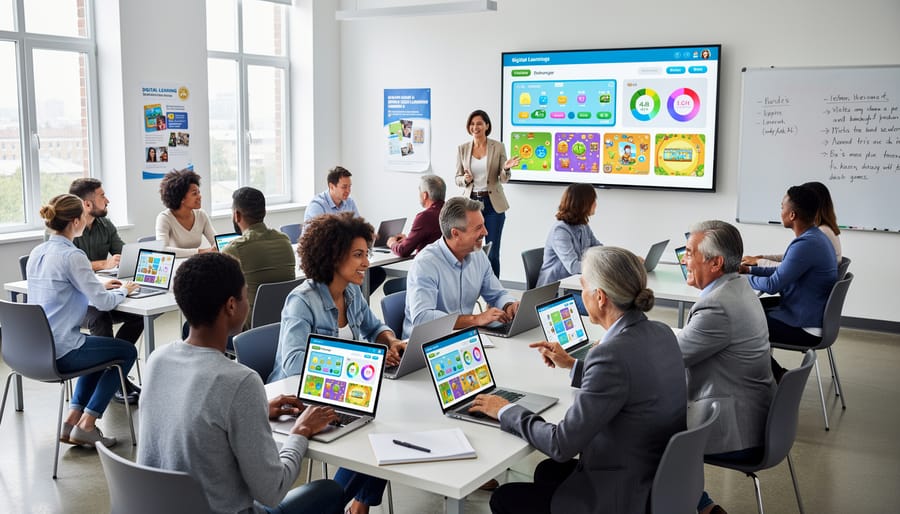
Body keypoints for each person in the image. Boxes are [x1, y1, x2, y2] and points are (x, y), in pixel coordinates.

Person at [470, 246, 687, 514]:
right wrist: (574, 365)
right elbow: (629, 380)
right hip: (654, 477)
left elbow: (561, 444)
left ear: (600, 297)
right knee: (548, 471)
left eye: (582, 286)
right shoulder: (662, 332)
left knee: (505, 497)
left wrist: (503, 409)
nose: (580, 294)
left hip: (621, 495)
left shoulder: (610, 355)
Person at [137, 253, 344, 514]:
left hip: (164, 508)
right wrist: (300, 432)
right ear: (231, 306)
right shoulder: (240, 381)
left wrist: (254, 410)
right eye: (246, 295)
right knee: (329, 491)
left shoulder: (157, 360)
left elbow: (198, 417)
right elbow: (272, 490)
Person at [270, 212, 404, 514]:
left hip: (345, 390)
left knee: (384, 427)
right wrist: (356, 359)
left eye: (366, 254)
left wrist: (390, 340)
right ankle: (340, 503)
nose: (366, 263)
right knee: (376, 433)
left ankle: (357, 506)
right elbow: (293, 364)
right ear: (333, 256)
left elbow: (374, 327)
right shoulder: (301, 301)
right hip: (301, 399)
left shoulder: (353, 292)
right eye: (358, 255)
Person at [679, 220, 776, 514]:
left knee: (644, 428)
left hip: (736, 428)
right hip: (756, 415)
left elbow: (668, 360)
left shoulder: (717, 306)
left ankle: (690, 505)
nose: (684, 259)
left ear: (716, 262)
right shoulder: (738, 288)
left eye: (689, 252)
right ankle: (702, 505)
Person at [27, 194, 139, 448]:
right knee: (125, 352)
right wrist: (123, 290)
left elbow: (63, 288)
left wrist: (99, 285)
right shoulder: (72, 256)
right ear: (76, 221)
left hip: (37, 349)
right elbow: (103, 303)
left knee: (100, 350)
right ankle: (88, 424)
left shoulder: (38, 252)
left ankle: (71, 421)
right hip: (62, 350)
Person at [743, 185, 837, 379]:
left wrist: (742, 278)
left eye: (782, 207)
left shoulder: (806, 244)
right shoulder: (815, 237)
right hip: (806, 311)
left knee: (740, 323)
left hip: (804, 325)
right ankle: (760, 378)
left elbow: (772, 286)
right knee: (747, 308)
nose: (781, 211)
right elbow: (783, 271)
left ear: (792, 215)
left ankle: (778, 377)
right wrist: (749, 269)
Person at [68, 178, 143, 404]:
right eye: (102, 196)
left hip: (101, 291)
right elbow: (69, 264)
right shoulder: (67, 228)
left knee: (136, 317)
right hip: (78, 303)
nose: (107, 200)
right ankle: (114, 383)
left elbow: (123, 252)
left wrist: (127, 259)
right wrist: (103, 264)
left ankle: (114, 374)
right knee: (100, 317)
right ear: (87, 204)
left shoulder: (105, 225)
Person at [403, 196, 520, 339]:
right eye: (478, 228)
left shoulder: (479, 256)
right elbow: (423, 318)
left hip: (463, 337)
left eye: (483, 225)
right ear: (456, 233)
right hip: (427, 343)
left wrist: (509, 305)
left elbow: (497, 294)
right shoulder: (425, 263)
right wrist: (474, 319)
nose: (485, 232)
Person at [455, 109, 520, 277]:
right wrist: (465, 179)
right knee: (468, 250)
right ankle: (469, 287)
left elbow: (504, 179)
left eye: (479, 124)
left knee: (492, 252)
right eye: (472, 124)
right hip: (471, 205)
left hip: (493, 205)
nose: (475, 127)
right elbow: (457, 178)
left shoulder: (497, 147)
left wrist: (505, 168)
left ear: (487, 126)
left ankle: (494, 296)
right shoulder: (462, 149)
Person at [222, 186, 297, 331]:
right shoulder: (285, 240)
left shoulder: (234, 249)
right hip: (286, 324)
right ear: (264, 212)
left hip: (249, 331)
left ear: (237, 215)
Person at [537, 183, 602, 315]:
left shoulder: (583, 226)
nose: (595, 204)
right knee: (600, 307)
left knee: (611, 301)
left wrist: (621, 258)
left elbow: (599, 249)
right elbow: (573, 266)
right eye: (593, 200)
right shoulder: (560, 230)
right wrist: (600, 264)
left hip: (575, 287)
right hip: (555, 293)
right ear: (583, 203)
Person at [743, 180, 841, 267]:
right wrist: (762, 258)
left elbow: (787, 268)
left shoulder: (819, 234)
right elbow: (793, 259)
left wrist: (758, 262)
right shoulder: (825, 229)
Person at [155, 168, 217, 257]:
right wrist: (200, 251)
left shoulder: (201, 215)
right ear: (181, 198)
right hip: (174, 266)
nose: (200, 196)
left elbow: (216, 241)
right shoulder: (164, 218)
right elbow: (162, 249)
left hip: (195, 264)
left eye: (199, 192)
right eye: (194, 193)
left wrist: (216, 247)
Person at [387, 174, 446, 257]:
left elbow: (403, 251)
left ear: (425, 195)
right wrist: (409, 240)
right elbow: (433, 241)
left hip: (427, 266)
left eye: (419, 191)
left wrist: (392, 243)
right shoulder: (450, 212)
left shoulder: (425, 217)